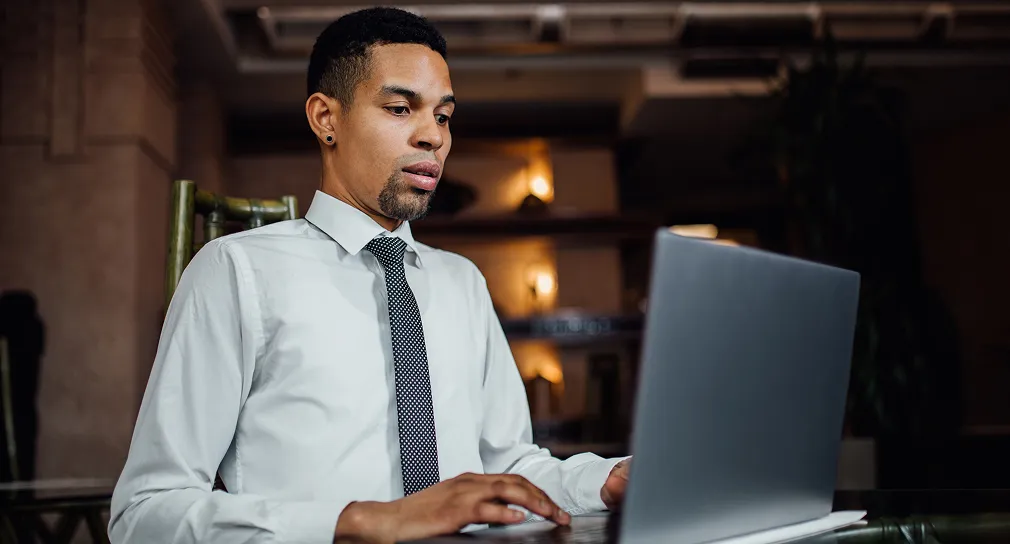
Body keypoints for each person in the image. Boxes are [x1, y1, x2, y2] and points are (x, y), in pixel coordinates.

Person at [109, 7, 630, 544]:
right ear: (325, 118)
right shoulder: (236, 271)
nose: (433, 136)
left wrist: (604, 480)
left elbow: (512, 465)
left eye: (444, 116)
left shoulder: (463, 283)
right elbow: (146, 514)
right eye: (402, 108)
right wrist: (361, 521)